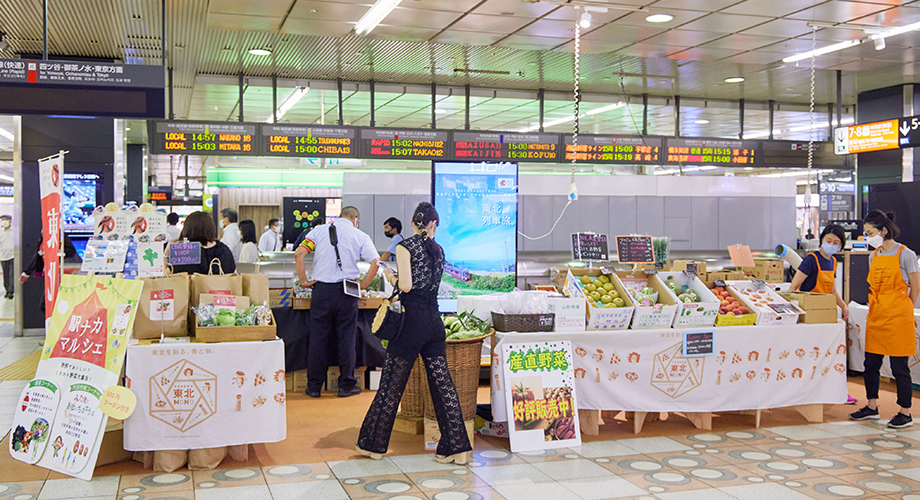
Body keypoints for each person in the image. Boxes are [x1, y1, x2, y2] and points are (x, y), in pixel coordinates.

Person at [356, 202, 472, 464]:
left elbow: (406, 285)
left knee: (391, 385)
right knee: (443, 385)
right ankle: (456, 447)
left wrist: (390, 274)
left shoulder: (405, 246)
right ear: (433, 225)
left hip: (411, 323)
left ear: (411, 223)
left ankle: (374, 445)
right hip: (434, 321)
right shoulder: (438, 250)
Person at [295, 206, 379, 398]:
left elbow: (299, 254)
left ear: (340, 216)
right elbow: (376, 262)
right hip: (347, 291)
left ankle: (314, 387)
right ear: (355, 219)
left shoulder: (318, 231)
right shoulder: (360, 235)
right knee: (346, 338)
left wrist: (304, 281)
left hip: (321, 290)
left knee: (318, 338)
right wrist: (364, 285)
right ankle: (346, 386)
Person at [850, 211, 920, 429]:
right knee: (871, 363)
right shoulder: (874, 256)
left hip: (898, 315)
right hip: (877, 313)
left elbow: (915, 287)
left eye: (871, 233)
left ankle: (905, 412)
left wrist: (905, 309)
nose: (868, 237)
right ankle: (871, 406)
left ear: (884, 231)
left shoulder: (906, 254)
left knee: (900, 366)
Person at [789, 223, 856, 405]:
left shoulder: (832, 261)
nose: (832, 244)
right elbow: (794, 288)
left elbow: (832, 290)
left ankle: (837, 391)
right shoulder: (811, 259)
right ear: (822, 239)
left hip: (826, 313)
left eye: (836, 242)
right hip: (810, 314)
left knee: (832, 355)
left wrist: (843, 306)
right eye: (828, 241)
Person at [170, 211, 236, 275]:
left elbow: (169, 273)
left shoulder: (183, 251)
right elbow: (232, 272)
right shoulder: (223, 250)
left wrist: (166, 253)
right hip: (220, 286)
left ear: (187, 229)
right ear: (211, 228)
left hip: (189, 286)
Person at [0, 215, 13, 299]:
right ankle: (7, 289)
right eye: (3, 219)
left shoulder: (14, 231)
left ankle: (11, 291)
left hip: (13, 255)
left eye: (6, 219)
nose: (4, 221)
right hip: (3, 256)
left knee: (12, 274)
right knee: (6, 274)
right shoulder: (1, 232)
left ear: (10, 221)